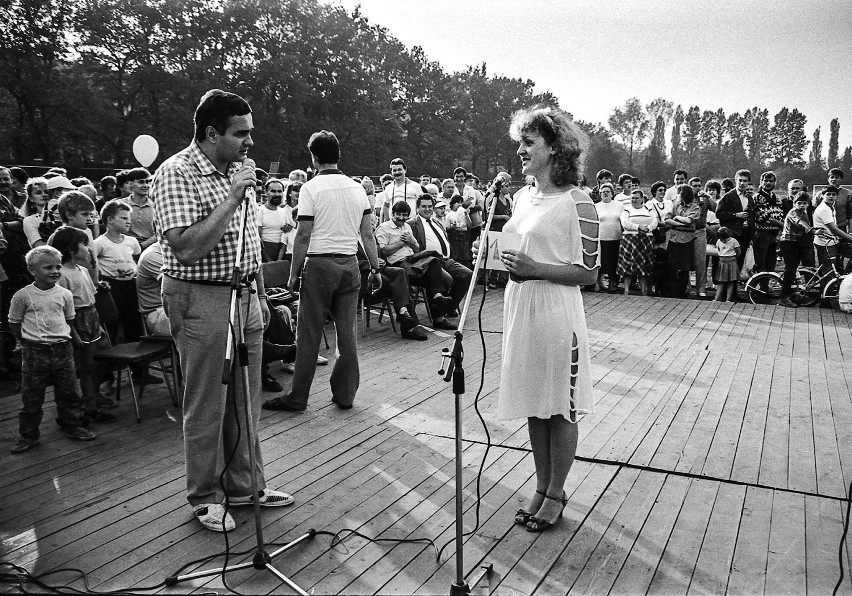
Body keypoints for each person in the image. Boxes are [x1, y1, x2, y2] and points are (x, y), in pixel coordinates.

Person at [150, 89, 292, 533]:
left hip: (245, 293)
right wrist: (230, 198)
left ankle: (246, 485)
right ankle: (205, 497)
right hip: (199, 295)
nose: (250, 142)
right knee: (207, 401)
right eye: (241, 133)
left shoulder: (237, 170)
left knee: (247, 399)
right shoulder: (176, 173)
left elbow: (247, 242)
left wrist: (263, 296)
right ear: (212, 133)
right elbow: (186, 248)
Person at [492, 105, 599, 533]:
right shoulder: (522, 196)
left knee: (561, 408)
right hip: (522, 308)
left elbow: (589, 273)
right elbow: (517, 247)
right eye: (519, 142)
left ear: (555, 148)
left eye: (528, 142)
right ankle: (540, 486)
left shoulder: (580, 202)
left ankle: (556, 492)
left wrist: (534, 267)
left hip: (557, 314)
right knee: (537, 404)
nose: (519, 150)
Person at [262, 130, 381, 413]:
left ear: (313, 158)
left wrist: (292, 276)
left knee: (309, 334)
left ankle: (297, 397)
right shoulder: (357, 189)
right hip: (350, 265)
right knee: (347, 333)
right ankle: (345, 393)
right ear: (338, 155)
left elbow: (303, 235)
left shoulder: (310, 188)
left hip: (319, 264)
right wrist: (375, 268)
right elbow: (368, 235)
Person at [9, 246, 97, 453]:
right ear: (32, 270)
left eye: (58, 266)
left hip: (62, 350)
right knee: (31, 396)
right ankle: (28, 435)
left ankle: (72, 425)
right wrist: (25, 340)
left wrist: (75, 341)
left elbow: (69, 320)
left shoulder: (65, 294)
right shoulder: (22, 296)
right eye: (48, 267)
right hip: (35, 352)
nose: (55, 271)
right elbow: (14, 322)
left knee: (69, 392)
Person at [49, 227, 116, 424]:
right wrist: (73, 331)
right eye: (84, 245)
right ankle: (80, 410)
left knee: (95, 363)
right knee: (79, 368)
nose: (89, 249)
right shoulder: (62, 275)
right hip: (76, 321)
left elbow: (90, 298)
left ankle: (91, 402)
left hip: (92, 319)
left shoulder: (84, 270)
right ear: (71, 249)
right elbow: (63, 307)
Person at [375, 200, 455, 332]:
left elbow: (417, 249)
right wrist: (401, 243)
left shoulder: (406, 226)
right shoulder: (384, 228)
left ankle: (437, 300)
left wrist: (412, 242)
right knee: (432, 274)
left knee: (434, 262)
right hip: (398, 263)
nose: (401, 218)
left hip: (413, 260)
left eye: (404, 215)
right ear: (392, 214)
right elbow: (383, 251)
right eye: (398, 215)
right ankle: (418, 322)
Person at [408, 194, 472, 323]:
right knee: (445, 278)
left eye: (430, 206)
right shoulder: (411, 224)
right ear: (417, 208)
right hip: (427, 263)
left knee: (468, 275)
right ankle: (438, 317)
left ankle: (448, 306)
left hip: (445, 259)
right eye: (424, 206)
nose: (427, 209)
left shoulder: (437, 221)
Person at [617, 189, 657, 295]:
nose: (634, 200)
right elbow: (625, 223)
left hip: (646, 239)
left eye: (636, 198)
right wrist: (638, 227)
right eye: (632, 198)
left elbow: (655, 221)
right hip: (630, 240)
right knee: (628, 265)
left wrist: (648, 228)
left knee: (644, 265)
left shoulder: (649, 209)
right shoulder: (627, 210)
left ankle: (643, 290)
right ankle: (626, 290)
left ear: (642, 199)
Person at [777, 193, 814, 308]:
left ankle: (791, 293)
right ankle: (783, 297)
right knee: (790, 269)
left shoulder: (805, 214)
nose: (802, 205)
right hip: (788, 242)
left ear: (808, 204)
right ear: (794, 203)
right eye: (799, 203)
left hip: (796, 242)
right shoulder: (793, 212)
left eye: (804, 203)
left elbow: (805, 227)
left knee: (794, 268)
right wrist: (810, 229)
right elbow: (799, 222)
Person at [665, 185, 700, 298]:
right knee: (672, 266)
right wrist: (679, 223)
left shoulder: (694, 207)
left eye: (680, 194)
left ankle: (682, 292)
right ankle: (672, 291)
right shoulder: (676, 206)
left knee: (684, 268)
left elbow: (689, 220)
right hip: (674, 238)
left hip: (687, 239)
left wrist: (677, 218)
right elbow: (667, 219)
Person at [716, 169, 754, 271]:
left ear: (748, 182)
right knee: (729, 262)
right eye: (740, 180)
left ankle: (735, 284)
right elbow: (719, 213)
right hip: (732, 234)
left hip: (745, 234)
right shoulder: (728, 196)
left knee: (740, 261)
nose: (742, 183)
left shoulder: (749, 198)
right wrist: (736, 215)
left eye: (745, 181)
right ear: (736, 181)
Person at [751, 171, 784, 278]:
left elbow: (780, 215)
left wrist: (779, 233)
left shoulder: (777, 198)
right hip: (762, 233)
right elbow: (764, 217)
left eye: (771, 181)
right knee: (761, 263)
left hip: (774, 234)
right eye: (766, 181)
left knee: (771, 264)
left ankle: (765, 288)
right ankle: (758, 289)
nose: (768, 183)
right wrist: (783, 225)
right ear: (761, 182)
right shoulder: (758, 197)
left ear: (775, 183)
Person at [594, 182, 623, 292]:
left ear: (612, 193)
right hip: (600, 239)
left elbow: (623, 221)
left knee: (613, 263)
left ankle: (611, 285)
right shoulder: (596, 206)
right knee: (599, 262)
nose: (605, 193)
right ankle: (597, 284)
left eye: (608, 191)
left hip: (616, 238)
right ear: (600, 194)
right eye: (603, 192)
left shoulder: (619, 206)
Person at [257, 178, 293, 262]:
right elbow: (258, 238)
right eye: (273, 191)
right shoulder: (260, 211)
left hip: (281, 253)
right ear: (266, 192)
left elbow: (287, 233)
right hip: (264, 253)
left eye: (279, 191)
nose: (277, 194)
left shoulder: (284, 212)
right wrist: (269, 260)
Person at [121, 167, 157, 250]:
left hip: (151, 249)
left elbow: (160, 233)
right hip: (125, 248)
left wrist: (142, 246)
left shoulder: (156, 205)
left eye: (148, 182)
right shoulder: (121, 205)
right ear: (130, 183)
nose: (146, 185)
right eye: (141, 182)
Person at [379, 158, 422, 222]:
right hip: (393, 223)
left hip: (411, 222)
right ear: (391, 172)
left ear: (405, 170)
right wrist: (387, 221)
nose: (397, 172)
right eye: (394, 170)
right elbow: (386, 206)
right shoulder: (388, 187)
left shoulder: (415, 186)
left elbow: (421, 204)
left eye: (399, 170)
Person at [714, 227, 741, 302]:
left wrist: (734, 258)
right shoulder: (719, 241)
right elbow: (718, 250)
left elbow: (738, 252)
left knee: (731, 282)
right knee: (721, 282)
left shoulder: (734, 241)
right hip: (722, 262)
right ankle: (716, 298)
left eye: (724, 239)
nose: (723, 240)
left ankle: (728, 299)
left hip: (731, 262)